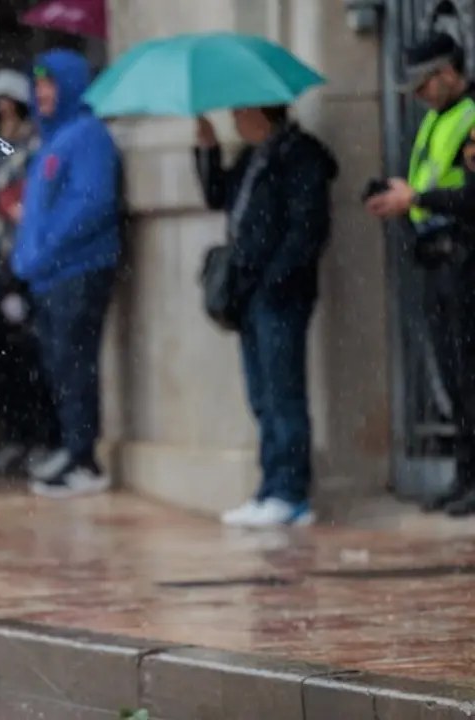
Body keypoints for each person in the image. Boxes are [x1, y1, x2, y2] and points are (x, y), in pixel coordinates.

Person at [197, 104, 339, 527]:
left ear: (262, 112)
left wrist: (275, 279)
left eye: (239, 112)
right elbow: (217, 196)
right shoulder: (251, 156)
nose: (234, 119)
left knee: (283, 394)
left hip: (279, 293)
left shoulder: (300, 156)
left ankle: (290, 491)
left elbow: (308, 228)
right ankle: (269, 486)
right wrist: (206, 150)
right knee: (262, 396)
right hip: (249, 293)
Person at [366, 33, 475, 516]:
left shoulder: (471, 115)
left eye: (422, 84)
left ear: (448, 72)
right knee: (453, 380)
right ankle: (464, 475)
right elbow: (432, 182)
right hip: (439, 262)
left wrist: (417, 200)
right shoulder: (439, 119)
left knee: (470, 379)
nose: (417, 96)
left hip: (467, 260)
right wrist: (402, 195)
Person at [12, 50, 121, 497]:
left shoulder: (88, 135)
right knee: (60, 366)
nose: (41, 94)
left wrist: (42, 252)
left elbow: (90, 204)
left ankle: (84, 460)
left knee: (75, 365)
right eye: (37, 86)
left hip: (77, 270)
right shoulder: (51, 140)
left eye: (50, 84)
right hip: (50, 275)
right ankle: (71, 446)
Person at [0, 68, 61, 475]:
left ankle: (44, 438)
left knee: (35, 359)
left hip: (23, 264)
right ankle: (18, 435)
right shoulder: (2, 146)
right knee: (5, 360)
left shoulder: (34, 144)